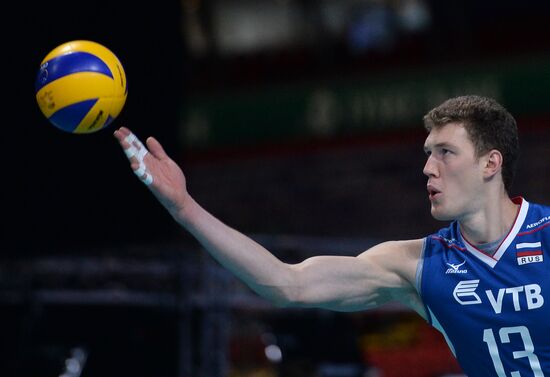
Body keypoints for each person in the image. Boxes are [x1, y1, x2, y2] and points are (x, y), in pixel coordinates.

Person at [114, 95, 550, 376]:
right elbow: (288, 284)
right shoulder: (420, 264)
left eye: (445, 153)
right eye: (427, 154)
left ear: (490, 164)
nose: (427, 168)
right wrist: (184, 208)